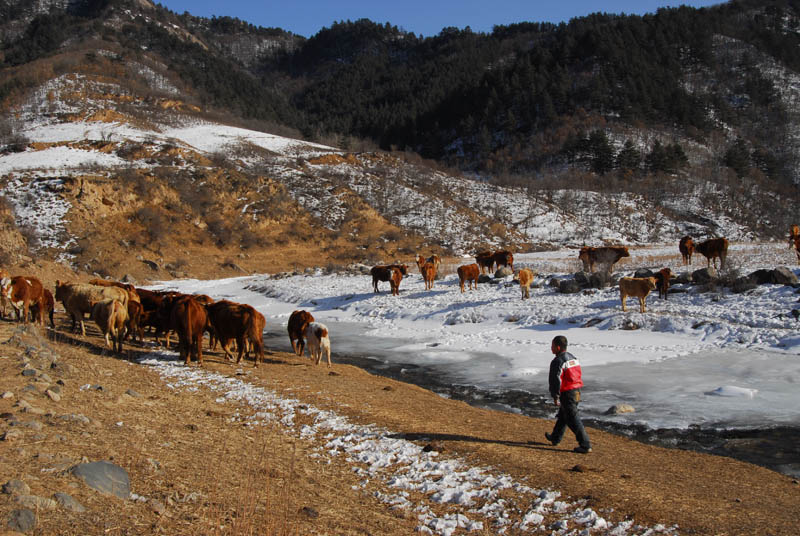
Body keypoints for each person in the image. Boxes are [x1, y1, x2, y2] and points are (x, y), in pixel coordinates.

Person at [545, 335, 592, 453]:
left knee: (572, 419)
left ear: (558, 347)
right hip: (577, 391)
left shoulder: (558, 361)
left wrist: (555, 396)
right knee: (563, 415)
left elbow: (555, 380)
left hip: (567, 392)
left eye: (552, 346)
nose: (551, 348)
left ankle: (585, 445)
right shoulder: (573, 358)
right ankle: (555, 437)